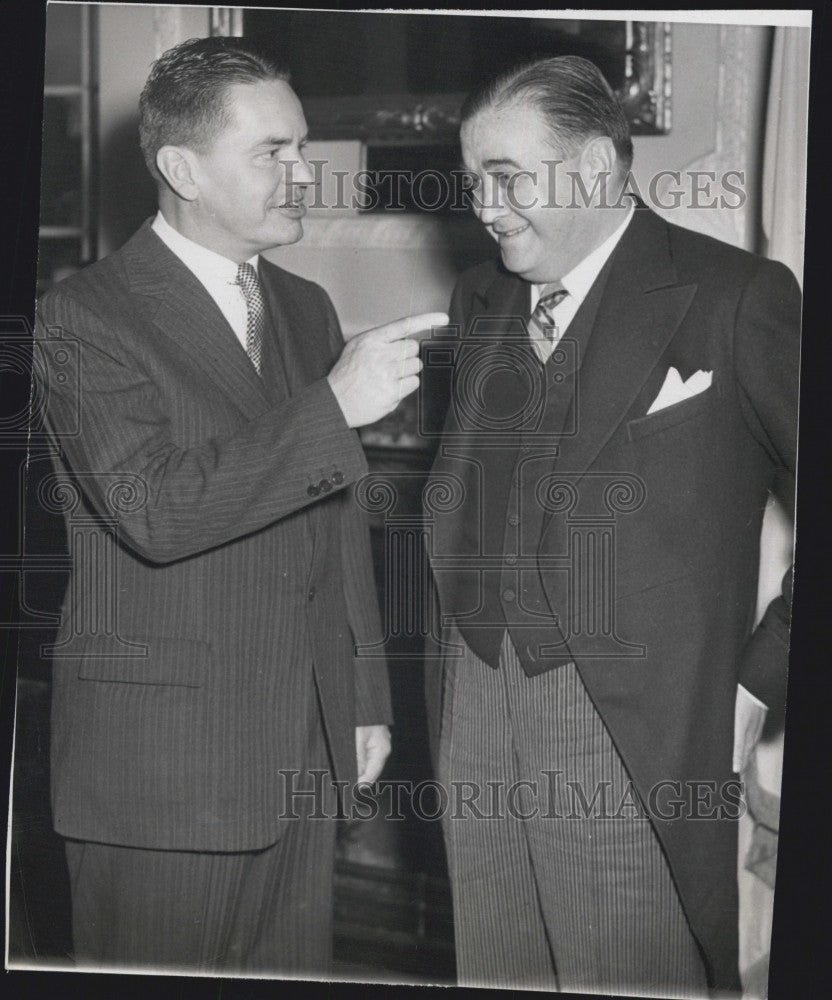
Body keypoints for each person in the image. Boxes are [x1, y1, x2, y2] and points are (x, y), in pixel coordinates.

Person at [32, 35, 445, 975]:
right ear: (181, 167)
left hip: (298, 746)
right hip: (163, 766)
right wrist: (334, 405)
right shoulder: (83, 317)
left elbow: (334, 520)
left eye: (303, 147)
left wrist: (364, 698)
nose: (305, 173)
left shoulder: (303, 308)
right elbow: (155, 510)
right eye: (273, 153)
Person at [424, 55, 799, 996]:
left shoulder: (735, 296)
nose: (483, 204)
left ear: (593, 168)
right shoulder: (481, 298)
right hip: (472, 694)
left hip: (631, 720)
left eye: (505, 177)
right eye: (473, 181)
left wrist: (757, 681)